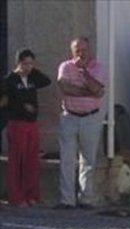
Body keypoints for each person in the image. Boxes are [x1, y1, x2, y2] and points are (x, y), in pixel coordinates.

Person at [56, 37, 105, 209]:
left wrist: (85, 73)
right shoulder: (65, 67)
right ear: (72, 51)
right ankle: (67, 200)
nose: (81, 53)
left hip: (90, 118)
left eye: (83, 50)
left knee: (88, 160)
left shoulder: (97, 67)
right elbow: (64, 87)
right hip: (69, 117)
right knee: (67, 160)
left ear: (88, 50)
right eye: (77, 50)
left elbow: (98, 90)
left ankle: (86, 198)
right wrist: (89, 92)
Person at [1, 49, 51, 207]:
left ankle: (31, 195)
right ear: (18, 63)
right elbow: (6, 101)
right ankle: (16, 196)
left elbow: (46, 81)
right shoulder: (10, 80)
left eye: (31, 63)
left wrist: (33, 70)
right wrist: (22, 106)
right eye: (25, 63)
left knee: (31, 160)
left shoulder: (32, 78)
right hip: (17, 122)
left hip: (32, 123)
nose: (28, 67)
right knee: (18, 161)